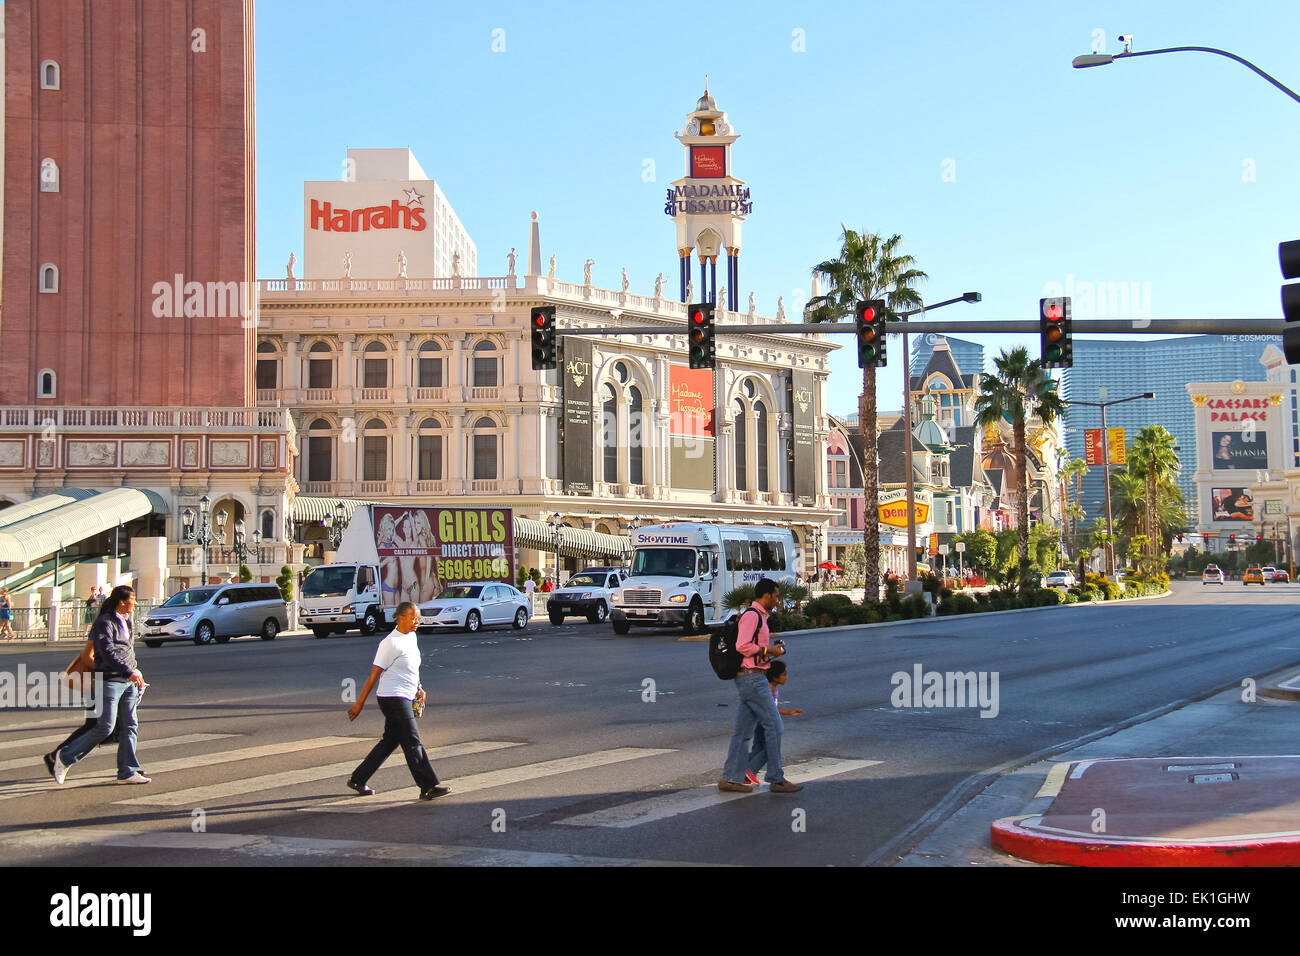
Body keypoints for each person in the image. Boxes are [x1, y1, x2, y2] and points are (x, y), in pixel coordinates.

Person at [47, 585, 150, 785]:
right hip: (110, 681)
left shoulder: (126, 620)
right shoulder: (105, 623)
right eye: (133, 599)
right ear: (122, 602)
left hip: (129, 681)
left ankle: (127, 772)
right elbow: (107, 652)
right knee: (105, 727)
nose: (135, 603)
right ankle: (64, 758)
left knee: (130, 725)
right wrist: (128, 672)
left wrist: (135, 670)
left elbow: (127, 651)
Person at [346, 601, 448, 800]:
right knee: (412, 741)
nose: (416, 621)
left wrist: (419, 688)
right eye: (413, 618)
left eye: (418, 618)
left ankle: (358, 779)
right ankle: (428, 786)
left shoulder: (412, 636)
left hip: (405, 695)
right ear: (400, 617)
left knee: (390, 741)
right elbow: (374, 675)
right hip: (392, 698)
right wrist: (359, 703)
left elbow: (411, 668)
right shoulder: (389, 643)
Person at [718, 578, 802, 794]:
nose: (777, 600)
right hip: (752, 678)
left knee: (743, 732)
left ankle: (731, 778)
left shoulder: (760, 617)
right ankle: (775, 778)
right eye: (775, 596)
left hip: (752, 676)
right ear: (765, 595)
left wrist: (772, 653)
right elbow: (743, 645)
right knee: (775, 726)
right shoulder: (752, 616)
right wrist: (769, 652)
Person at [745, 660, 803, 786]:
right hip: (766, 722)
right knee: (771, 748)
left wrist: (789, 712)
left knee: (759, 748)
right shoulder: (769, 689)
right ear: (775, 677)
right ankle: (750, 770)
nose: (786, 677)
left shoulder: (770, 688)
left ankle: (741, 772)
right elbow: (770, 709)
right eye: (784, 674)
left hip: (760, 721)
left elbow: (773, 707)